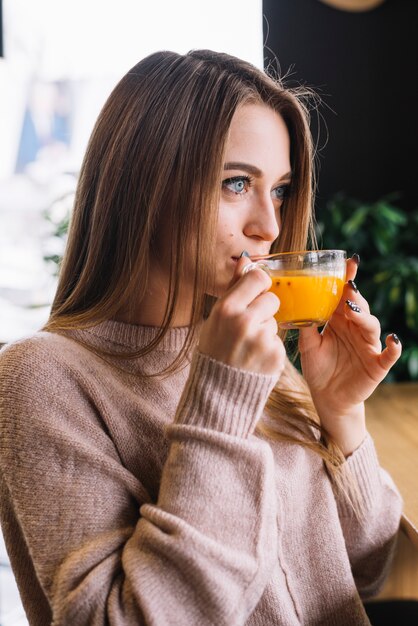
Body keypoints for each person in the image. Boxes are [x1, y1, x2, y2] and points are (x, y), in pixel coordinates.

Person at [0, 49, 402, 626]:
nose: (268, 224)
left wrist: (340, 415)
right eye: (237, 183)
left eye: (281, 190)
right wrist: (218, 402)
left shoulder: (248, 351)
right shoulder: (41, 377)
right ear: (146, 189)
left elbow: (366, 571)